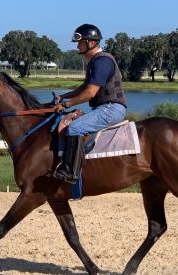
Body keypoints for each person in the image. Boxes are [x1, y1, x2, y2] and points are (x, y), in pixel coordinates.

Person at [53, 23, 127, 184]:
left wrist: (66, 105)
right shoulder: (95, 61)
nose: (78, 46)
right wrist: (63, 97)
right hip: (106, 107)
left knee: (74, 127)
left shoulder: (102, 61)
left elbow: (90, 92)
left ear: (91, 43)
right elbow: (83, 87)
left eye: (80, 43)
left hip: (111, 109)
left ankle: (69, 171)